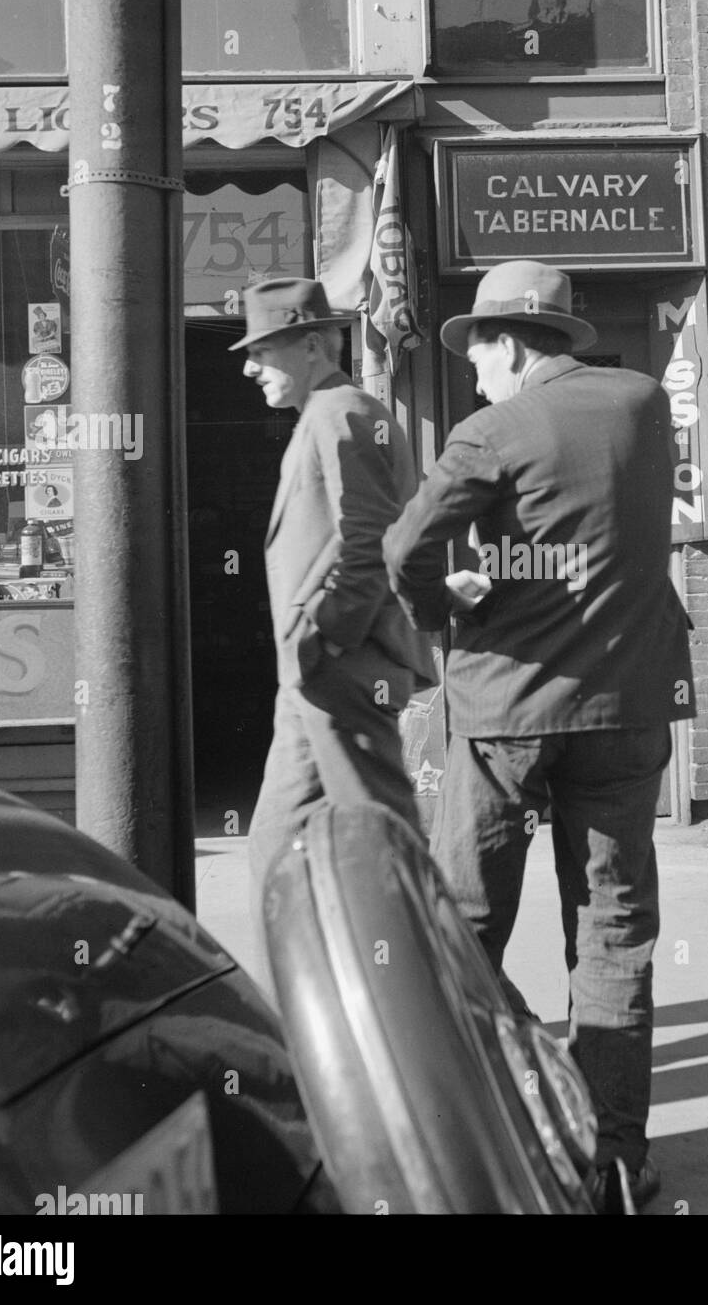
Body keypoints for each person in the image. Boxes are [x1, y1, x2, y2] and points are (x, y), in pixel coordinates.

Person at [383, 259, 696, 1213]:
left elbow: (406, 548)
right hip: (628, 704)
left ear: (514, 344)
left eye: (477, 351)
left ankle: (487, 1130)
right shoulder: (645, 405)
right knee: (613, 926)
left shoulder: (493, 428)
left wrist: (451, 601)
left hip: (509, 708)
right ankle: (610, 1165)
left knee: (468, 926)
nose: (472, 371)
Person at [231, 278, 437, 964]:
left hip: (342, 669)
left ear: (314, 344)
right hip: (319, 676)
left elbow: (370, 540)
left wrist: (323, 636)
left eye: (263, 351)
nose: (248, 366)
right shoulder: (330, 413)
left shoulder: (340, 413)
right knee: (275, 848)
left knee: (383, 849)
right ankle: (305, 1020)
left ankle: (448, 1005)